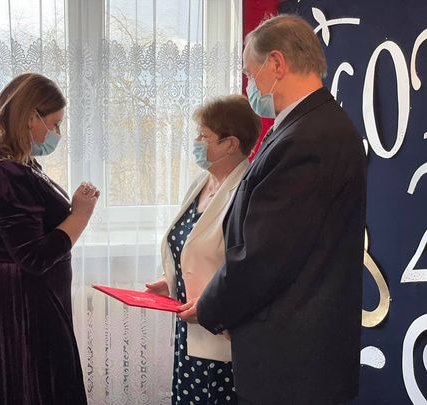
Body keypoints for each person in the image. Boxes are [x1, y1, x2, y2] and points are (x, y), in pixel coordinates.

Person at [181, 14, 367, 405]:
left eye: (251, 74)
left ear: (277, 64)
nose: (250, 85)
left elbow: (264, 255)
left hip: (294, 363)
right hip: (292, 354)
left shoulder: (309, 137)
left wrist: (212, 307)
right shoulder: (302, 126)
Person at [0, 73, 99, 404]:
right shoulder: (6, 173)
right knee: (35, 389)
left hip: (25, 298)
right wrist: (80, 215)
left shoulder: (9, 161)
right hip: (24, 305)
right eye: (54, 124)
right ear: (30, 117)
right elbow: (34, 257)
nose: (57, 134)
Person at [146, 95, 261, 405]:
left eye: (203, 136)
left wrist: (214, 308)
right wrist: (171, 281)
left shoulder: (248, 191)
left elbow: (248, 268)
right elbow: (191, 248)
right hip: (189, 329)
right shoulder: (201, 182)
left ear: (231, 144)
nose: (196, 142)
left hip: (222, 332)